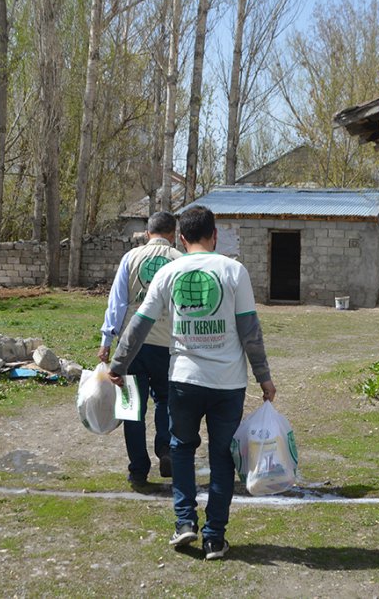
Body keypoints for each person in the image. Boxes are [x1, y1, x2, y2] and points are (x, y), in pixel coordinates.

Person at [109, 205, 275, 561]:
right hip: (227, 384)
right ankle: (215, 537)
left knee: (182, 449)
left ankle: (184, 522)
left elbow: (138, 324)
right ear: (214, 236)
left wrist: (118, 363)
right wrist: (264, 378)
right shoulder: (234, 271)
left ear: (181, 239)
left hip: (184, 379)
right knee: (221, 457)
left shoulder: (169, 272)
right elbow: (251, 332)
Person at [99, 211, 182, 489]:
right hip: (166, 344)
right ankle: (166, 450)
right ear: (173, 234)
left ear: (148, 233)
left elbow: (117, 302)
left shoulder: (130, 258)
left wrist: (107, 340)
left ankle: (138, 470)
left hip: (132, 345)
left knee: (131, 406)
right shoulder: (179, 261)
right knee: (166, 400)